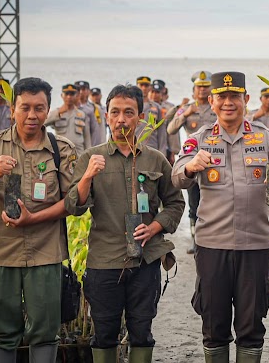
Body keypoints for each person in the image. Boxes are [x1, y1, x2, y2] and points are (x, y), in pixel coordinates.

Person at [172, 71, 269, 363]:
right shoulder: (198, 140)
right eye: (222, 97)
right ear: (212, 101)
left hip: (254, 246)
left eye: (235, 97)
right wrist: (191, 167)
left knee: (252, 325)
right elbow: (176, 177)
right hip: (212, 246)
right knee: (213, 325)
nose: (229, 102)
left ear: (246, 100)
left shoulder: (266, 137)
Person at [65, 84, 184, 362]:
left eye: (128, 113)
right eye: (115, 112)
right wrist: (87, 177)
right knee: (104, 332)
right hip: (105, 261)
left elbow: (176, 203)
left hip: (146, 261)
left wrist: (154, 227)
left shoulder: (155, 159)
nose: (121, 119)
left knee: (142, 330)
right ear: (106, 116)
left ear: (140, 117)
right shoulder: (91, 158)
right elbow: (74, 206)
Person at [0, 77, 77, 361]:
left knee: (45, 331)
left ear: (48, 110)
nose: (32, 115)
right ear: (12, 109)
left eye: (39, 108)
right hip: (1, 253)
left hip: (46, 252)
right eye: (25, 107)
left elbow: (72, 203)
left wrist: (33, 219)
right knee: (1, 332)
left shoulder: (62, 149)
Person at [167, 71, 217, 253]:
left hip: (215, 161)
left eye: (206, 86)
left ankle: (213, 238)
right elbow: (171, 129)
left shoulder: (216, 106)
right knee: (194, 204)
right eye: (199, 87)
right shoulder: (187, 107)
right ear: (193, 89)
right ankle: (196, 240)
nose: (203, 90)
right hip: (192, 162)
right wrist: (185, 113)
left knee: (215, 201)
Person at [45, 83, 92, 155]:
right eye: (66, 94)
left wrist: (89, 154)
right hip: (61, 153)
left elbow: (87, 138)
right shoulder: (56, 113)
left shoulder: (82, 114)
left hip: (78, 153)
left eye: (72, 94)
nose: (69, 97)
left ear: (76, 96)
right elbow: (42, 123)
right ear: (62, 96)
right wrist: (58, 113)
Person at [135, 76, 167, 155]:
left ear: (150, 87)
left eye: (146, 85)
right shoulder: (132, 106)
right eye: (141, 85)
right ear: (137, 86)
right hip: (134, 146)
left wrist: (162, 152)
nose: (144, 88)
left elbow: (162, 132)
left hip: (151, 147)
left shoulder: (156, 107)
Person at [150, 79, 179, 165]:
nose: (154, 95)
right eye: (152, 92)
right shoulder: (144, 108)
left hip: (165, 148)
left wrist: (173, 151)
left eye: (157, 92)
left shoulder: (169, 108)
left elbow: (173, 132)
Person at [75, 80, 102, 147]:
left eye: (83, 89)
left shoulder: (95, 108)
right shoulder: (70, 108)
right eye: (79, 89)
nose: (81, 92)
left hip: (92, 146)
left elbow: (98, 130)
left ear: (89, 91)